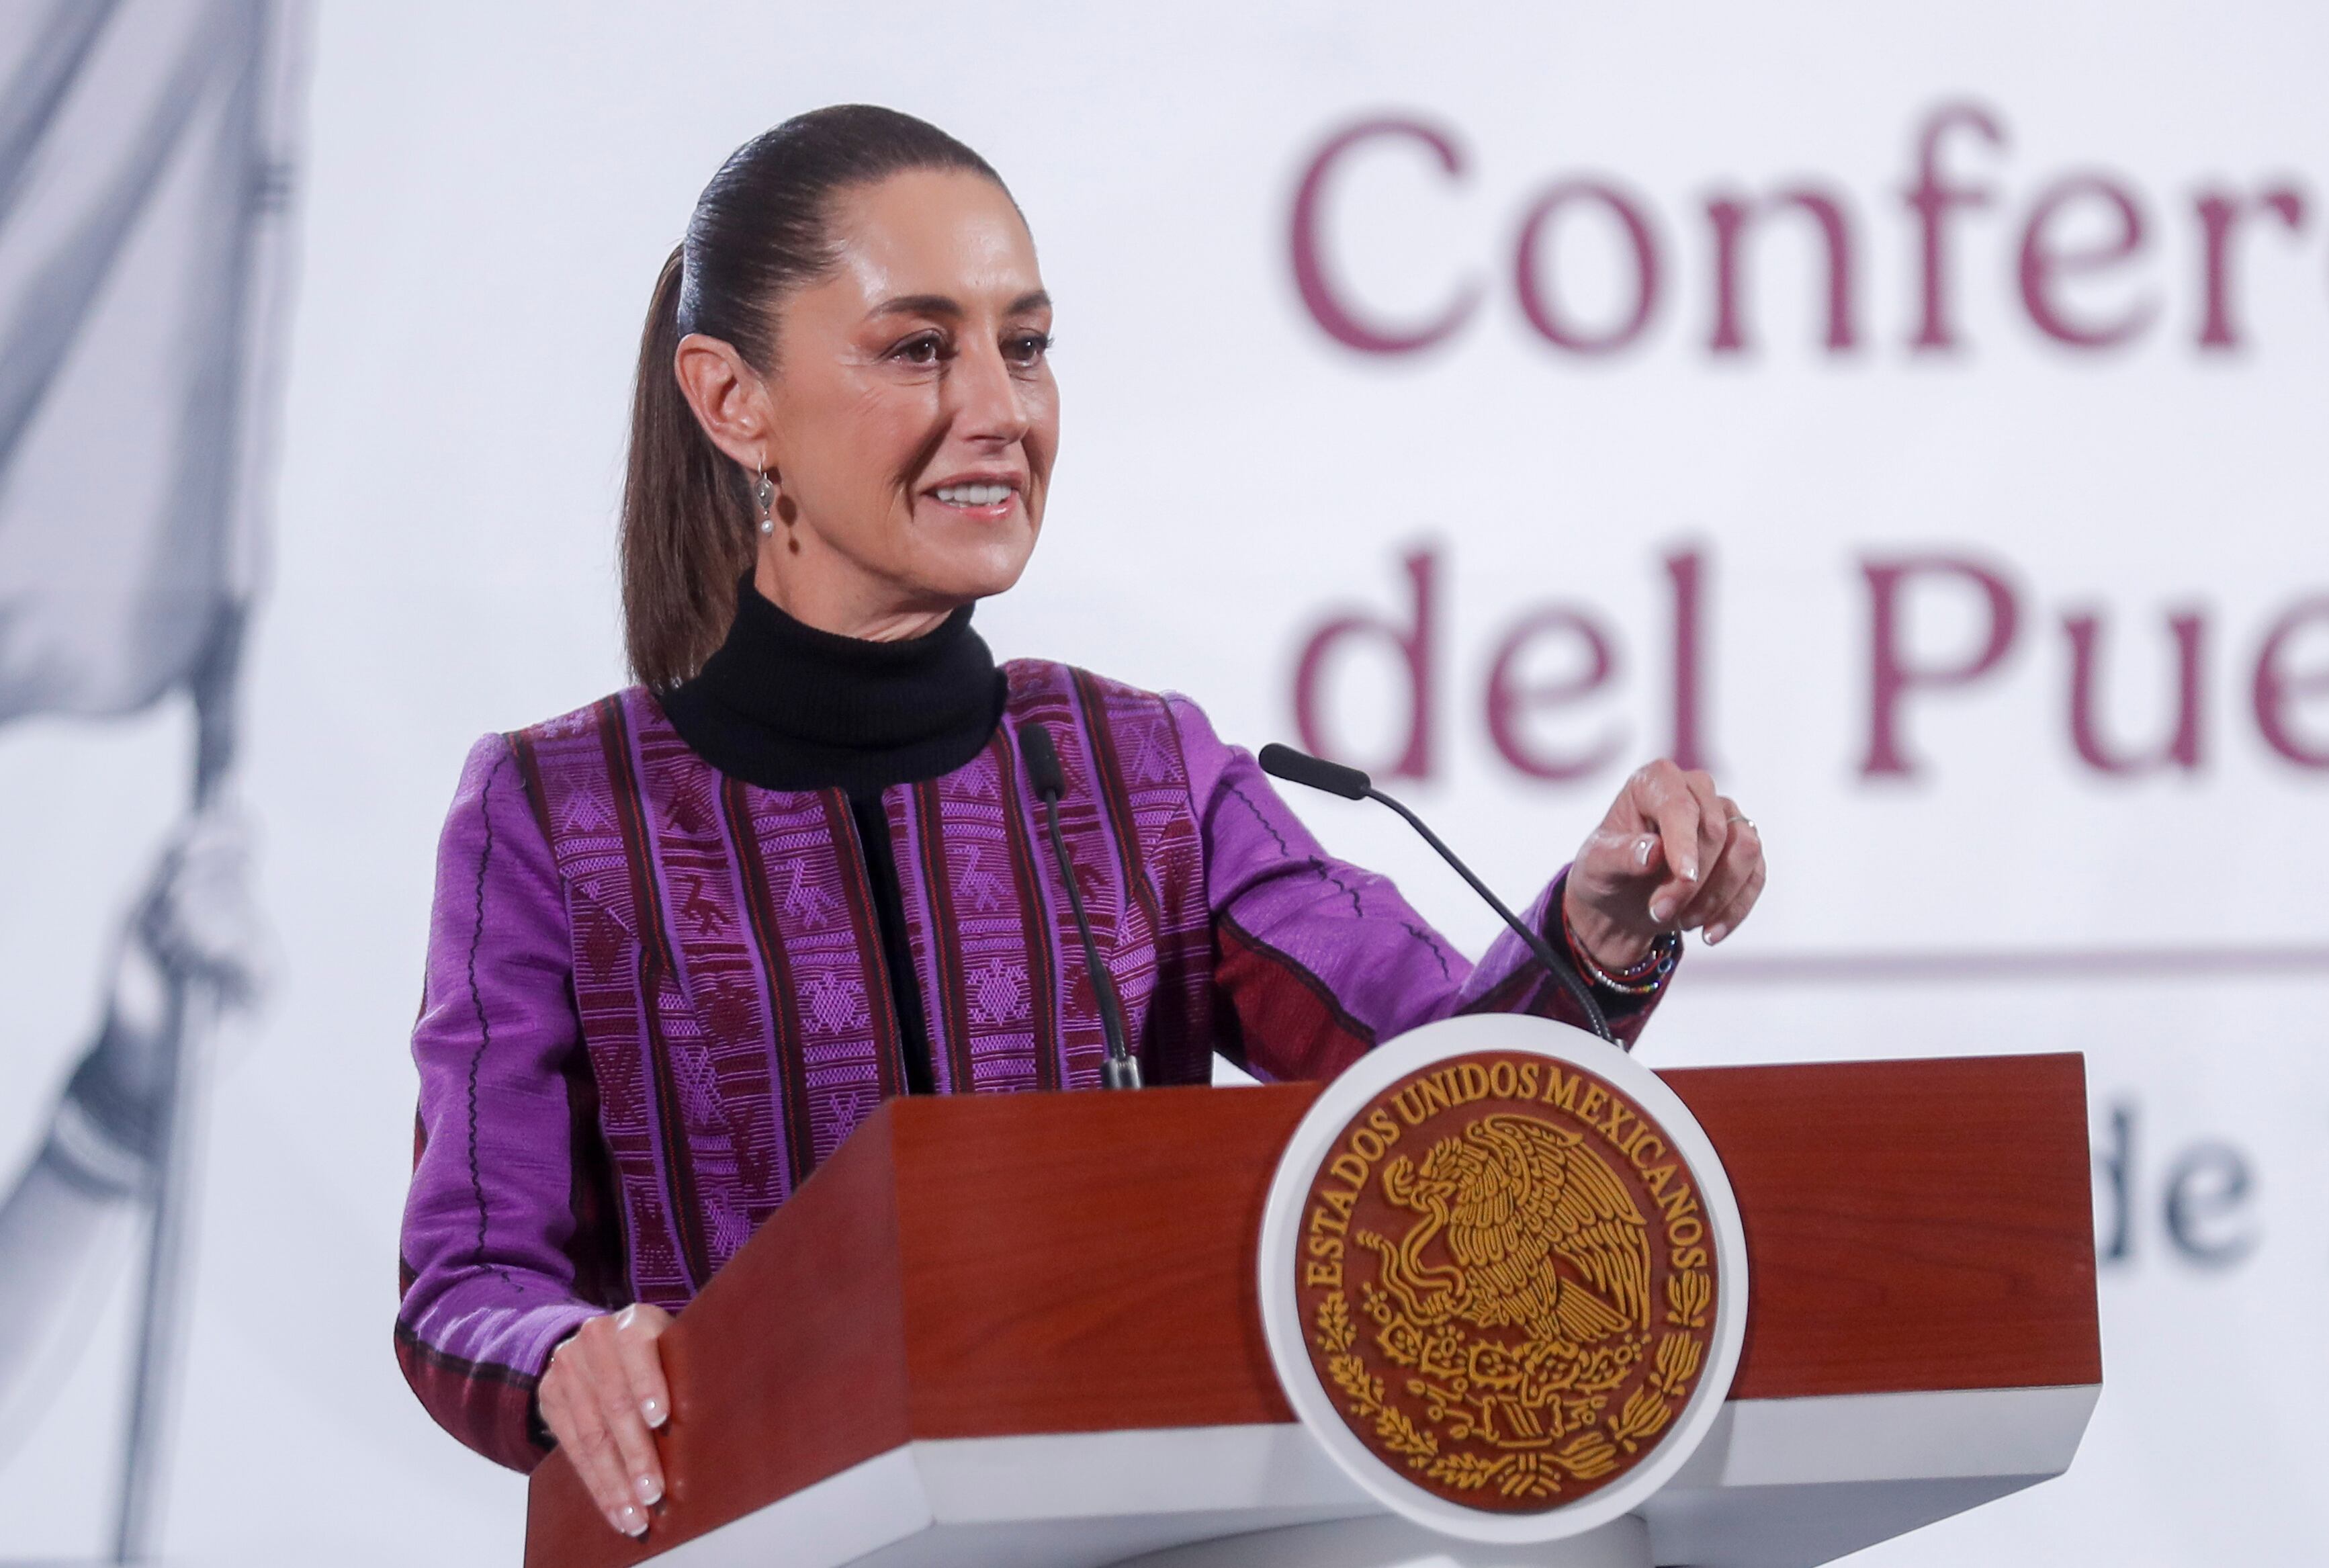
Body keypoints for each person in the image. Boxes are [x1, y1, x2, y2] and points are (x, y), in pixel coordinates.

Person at [394, 105, 1765, 1540]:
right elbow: (466, 1284)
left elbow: (1439, 1108)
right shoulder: (559, 814)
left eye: (1026, 345)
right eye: (920, 348)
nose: (999, 408)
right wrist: (561, 1356)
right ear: (733, 400)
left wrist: (1599, 937)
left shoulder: (1141, 769)